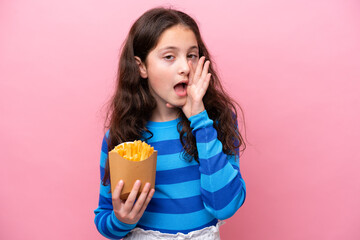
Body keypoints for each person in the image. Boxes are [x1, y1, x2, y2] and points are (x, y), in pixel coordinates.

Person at [94, 6, 246, 240]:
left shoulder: (214, 123)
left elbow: (225, 206)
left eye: (192, 55)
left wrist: (200, 119)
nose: (185, 67)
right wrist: (121, 221)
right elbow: (104, 218)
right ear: (141, 66)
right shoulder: (123, 138)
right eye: (169, 57)